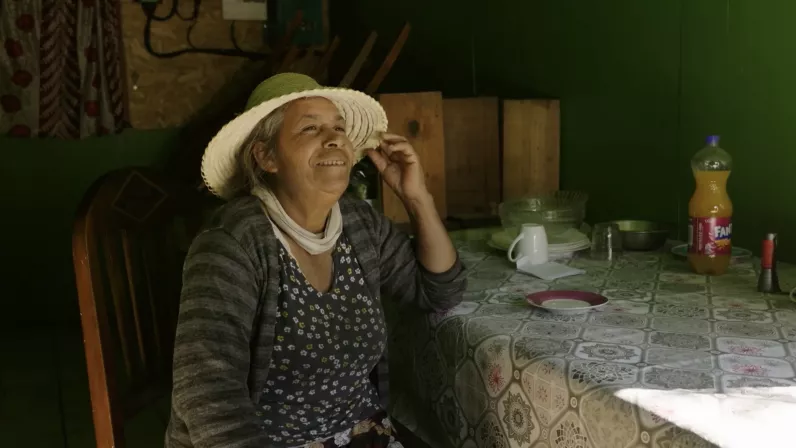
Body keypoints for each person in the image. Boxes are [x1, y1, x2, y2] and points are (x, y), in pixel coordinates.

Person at [165, 73, 467, 448]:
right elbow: (207, 395)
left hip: (357, 435)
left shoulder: (358, 224)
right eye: (310, 128)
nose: (334, 137)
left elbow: (439, 290)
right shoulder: (232, 244)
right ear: (266, 156)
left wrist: (417, 196)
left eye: (338, 127)